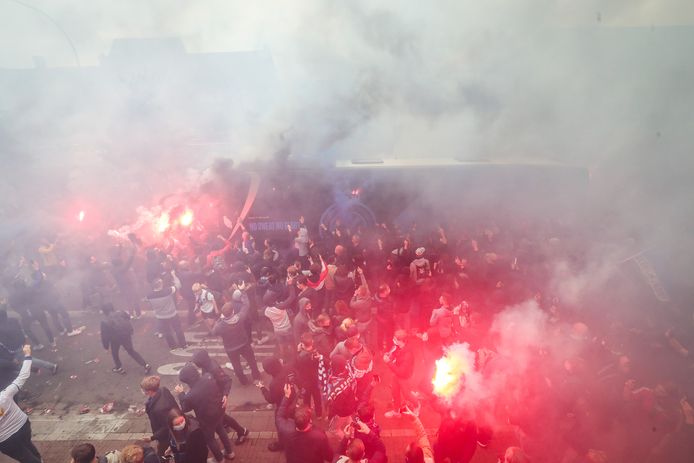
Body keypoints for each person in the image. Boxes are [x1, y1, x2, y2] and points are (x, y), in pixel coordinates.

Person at [176, 364, 235, 462]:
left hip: (206, 420)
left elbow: (185, 408)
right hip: (219, 411)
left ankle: (219, 459)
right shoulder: (208, 377)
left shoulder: (190, 395)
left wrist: (181, 394)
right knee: (221, 429)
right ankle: (230, 452)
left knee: (210, 439)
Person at [191, 350, 251, 445]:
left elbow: (227, 381)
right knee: (222, 417)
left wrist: (225, 395)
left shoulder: (213, 369)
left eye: (196, 362)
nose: (195, 364)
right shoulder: (206, 365)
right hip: (214, 395)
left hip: (218, 397)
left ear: (201, 361)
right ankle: (236, 429)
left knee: (222, 417)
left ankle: (242, 431)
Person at [0, 344, 42, 463]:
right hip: (22, 427)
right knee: (28, 446)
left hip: (5, 441)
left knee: (25, 457)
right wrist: (28, 355)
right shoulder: (4, 395)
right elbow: (23, 376)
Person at [275, 384, 333, 463]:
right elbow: (329, 456)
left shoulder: (286, 430)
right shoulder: (319, 436)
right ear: (310, 421)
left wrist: (286, 396)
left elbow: (279, 416)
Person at [212, 296, 262, 386]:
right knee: (251, 361)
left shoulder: (220, 325)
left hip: (230, 349)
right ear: (233, 311)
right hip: (244, 344)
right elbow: (246, 306)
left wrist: (220, 319)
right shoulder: (240, 318)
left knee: (236, 365)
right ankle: (256, 377)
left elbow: (213, 332)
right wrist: (243, 293)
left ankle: (243, 381)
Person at [100, 303, 151, 375]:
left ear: (104, 311)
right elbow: (128, 317)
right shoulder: (121, 312)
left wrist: (106, 347)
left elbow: (105, 335)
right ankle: (145, 365)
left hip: (115, 339)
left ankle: (119, 367)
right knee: (131, 351)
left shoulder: (104, 322)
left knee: (115, 353)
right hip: (126, 335)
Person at [141, 375, 180, 457]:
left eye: (143, 389)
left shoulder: (159, 409)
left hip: (166, 436)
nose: (142, 390)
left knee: (162, 454)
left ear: (149, 391)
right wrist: (145, 410)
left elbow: (166, 427)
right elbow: (152, 403)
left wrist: (152, 438)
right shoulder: (163, 389)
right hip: (173, 423)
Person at [383, 329, 419, 418]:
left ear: (401, 341)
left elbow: (402, 372)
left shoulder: (408, 354)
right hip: (396, 374)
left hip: (404, 377)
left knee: (407, 395)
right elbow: (395, 353)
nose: (393, 340)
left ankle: (417, 405)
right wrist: (390, 355)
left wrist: (388, 362)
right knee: (395, 392)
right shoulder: (399, 346)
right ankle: (396, 411)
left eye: (395, 339)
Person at [146, 279, 187, 351]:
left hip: (161, 316)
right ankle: (183, 344)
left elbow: (148, 302)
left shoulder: (149, 295)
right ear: (160, 284)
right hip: (172, 314)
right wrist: (174, 276)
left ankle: (172, 346)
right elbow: (178, 285)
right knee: (178, 329)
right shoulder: (167, 291)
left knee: (167, 332)